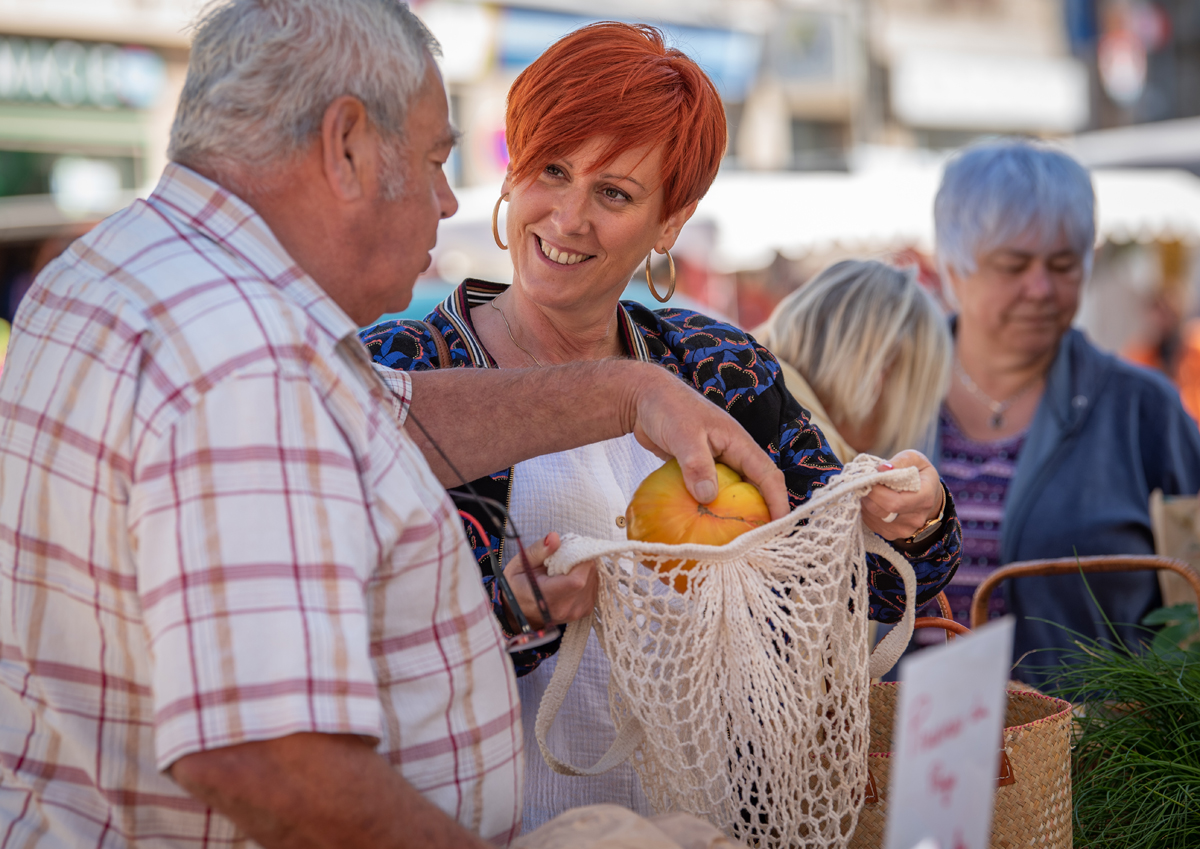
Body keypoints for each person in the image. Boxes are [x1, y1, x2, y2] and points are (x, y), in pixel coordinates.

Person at [0, 3, 793, 848]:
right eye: (433, 159)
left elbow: (391, 415)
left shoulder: (124, 269)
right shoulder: (242, 358)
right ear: (346, 146)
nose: (451, 200)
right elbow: (268, 762)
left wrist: (629, 392)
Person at [362, 22, 962, 831]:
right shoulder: (401, 368)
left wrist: (909, 512)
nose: (568, 216)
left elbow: (870, 586)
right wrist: (506, 613)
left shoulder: (719, 368)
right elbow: (342, 635)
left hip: (706, 823)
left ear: (669, 222)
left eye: (614, 193)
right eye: (552, 169)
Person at [932, 138, 1200, 688]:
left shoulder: (1141, 409)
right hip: (895, 761)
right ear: (954, 268)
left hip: (1096, 762)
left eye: (1062, 265)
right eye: (1013, 265)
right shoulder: (884, 394)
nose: (1041, 288)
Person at [754, 259, 952, 463]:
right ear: (880, 373)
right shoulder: (815, 465)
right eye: (917, 393)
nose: (913, 420)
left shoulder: (738, 381)